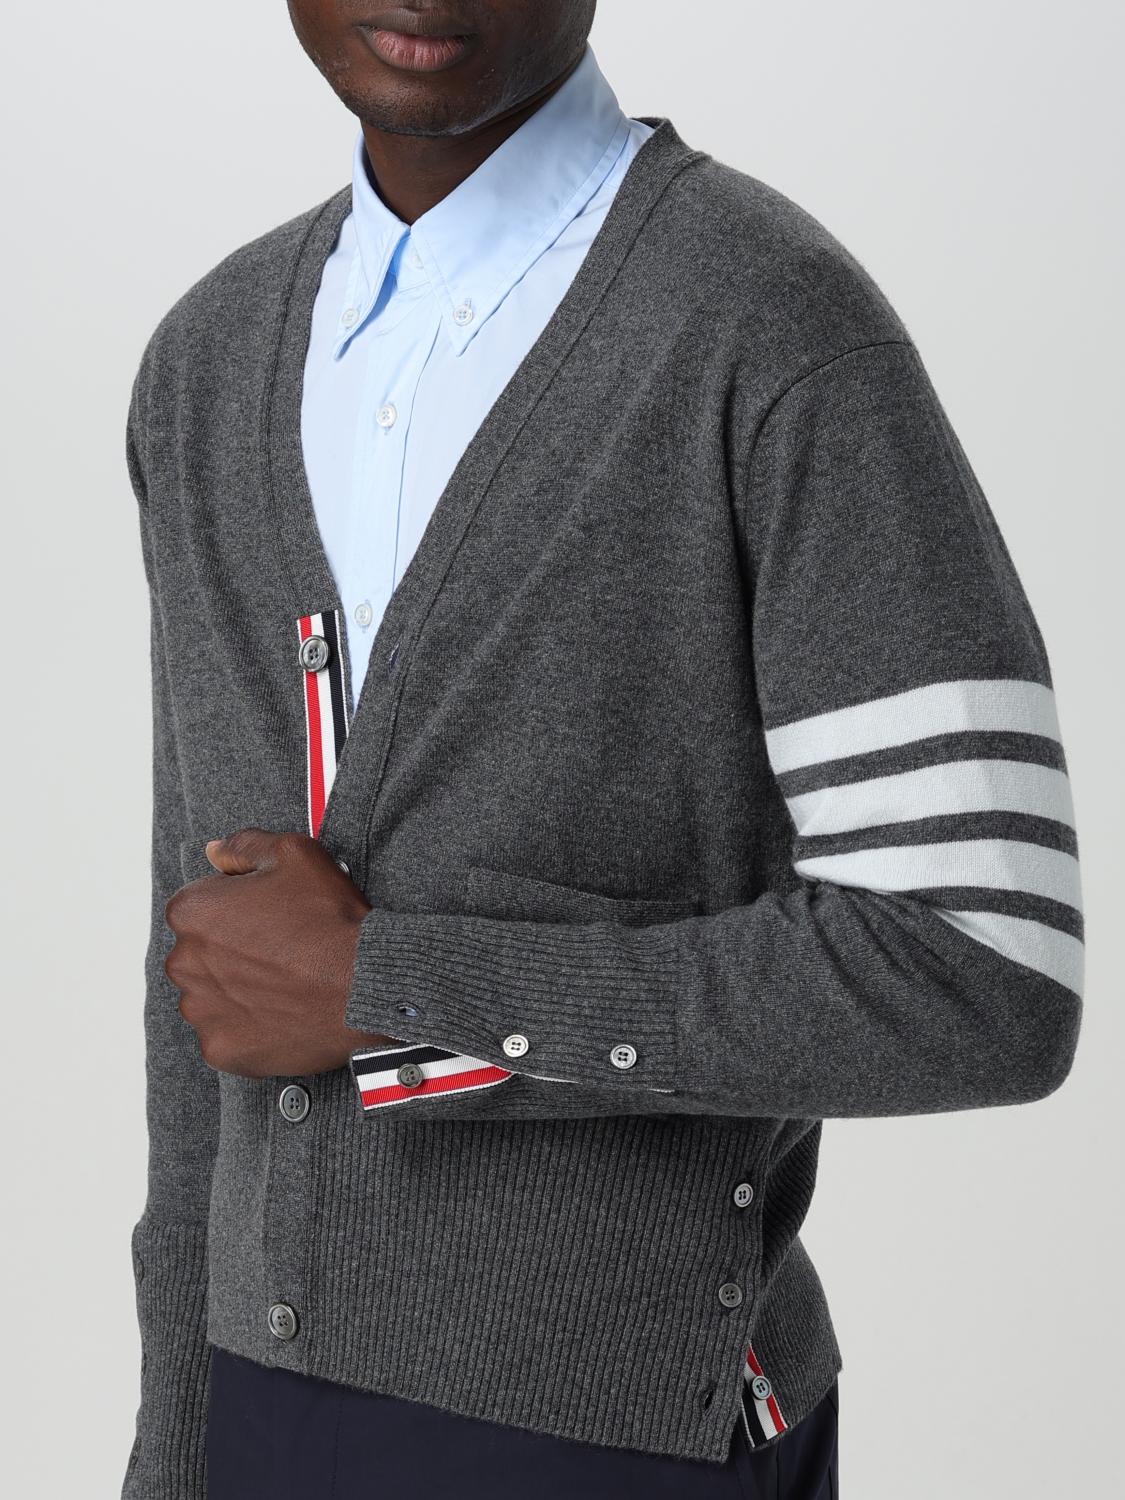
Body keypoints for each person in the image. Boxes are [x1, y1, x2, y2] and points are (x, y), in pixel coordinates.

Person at [120, 3, 1084, 1497]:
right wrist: (177, 1451)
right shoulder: (208, 358)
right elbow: (207, 975)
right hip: (261, 1414)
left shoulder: (771, 326)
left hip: (623, 1433)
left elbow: (981, 972)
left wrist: (394, 992)